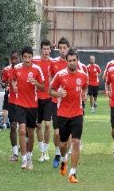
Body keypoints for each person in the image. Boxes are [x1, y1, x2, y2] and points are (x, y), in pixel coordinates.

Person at [49, 49, 88, 183]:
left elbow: (85, 86)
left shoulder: (83, 75)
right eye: (69, 60)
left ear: (77, 61)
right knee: (63, 143)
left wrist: (84, 93)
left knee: (76, 142)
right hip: (63, 114)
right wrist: (57, 93)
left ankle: (72, 173)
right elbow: (50, 90)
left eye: (74, 60)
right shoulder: (60, 75)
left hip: (77, 113)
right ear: (66, 61)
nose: (72, 63)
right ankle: (64, 159)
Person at [11, 46, 45, 170]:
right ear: (22, 57)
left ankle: (30, 156)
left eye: (29, 57)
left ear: (32, 57)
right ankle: (24, 159)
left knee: (31, 133)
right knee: (21, 130)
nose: (27, 59)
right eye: (25, 57)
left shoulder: (37, 69)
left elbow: (43, 87)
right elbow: (13, 79)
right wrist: (14, 86)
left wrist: (35, 83)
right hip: (20, 104)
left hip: (33, 106)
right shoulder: (17, 68)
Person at [49, 37, 70, 168]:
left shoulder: (73, 63)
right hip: (56, 102)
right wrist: (57, 94)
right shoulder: (54, 63)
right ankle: (58, 154)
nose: (62, 50)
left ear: (68, 48)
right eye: (60, 48)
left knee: (67, 133)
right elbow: (51, 85)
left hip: (69, 104)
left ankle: (65, 155)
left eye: (64, 48)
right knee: (57, 132)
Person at [32, 39, 53, 162]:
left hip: (49, 98)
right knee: (38, 125)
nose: (46, 51)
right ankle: (41, 151)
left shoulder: (53, 63)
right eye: (44, 49)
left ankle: (46, 150)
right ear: (41, 49)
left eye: (48, 49)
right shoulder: (34, 61)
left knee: (48, 125)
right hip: (36, 98)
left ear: (50, 49)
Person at [1, 50, 20, 161]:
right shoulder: (6, 70)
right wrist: (6, 84)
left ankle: (25, 147)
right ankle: (15, 153)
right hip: (12, 101)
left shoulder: (23, 69)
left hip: (23, 101)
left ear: (19, 59)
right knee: (13, 126)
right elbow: (3, 83)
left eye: (16, 58)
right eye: (12, 58)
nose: (14, 60)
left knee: (25, 128)